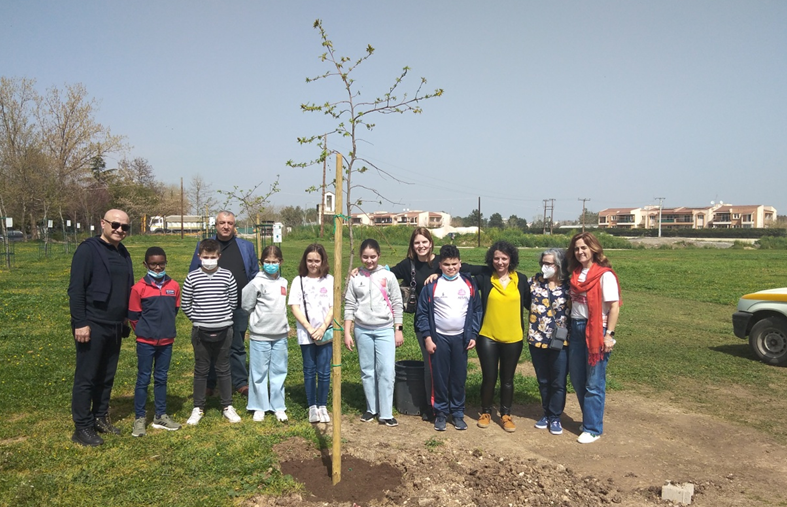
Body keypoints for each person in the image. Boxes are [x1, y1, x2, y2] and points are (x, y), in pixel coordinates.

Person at [68, 209, 134, 446]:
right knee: (87, 376)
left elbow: (127, 286)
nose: (119, 230)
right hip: (93, 323)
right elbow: (76, 289)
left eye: (124, 227)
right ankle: (82, 427)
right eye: (115, 225)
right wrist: (81, 322)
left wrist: (126, 317)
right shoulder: (88, 250)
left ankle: (100, 417)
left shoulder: (122, 252)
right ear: (103, 223)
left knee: (106, 376)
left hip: (115, 324)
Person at [461, 241, 531, 432]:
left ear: (511, 260)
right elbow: (463, 272)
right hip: (488, 336)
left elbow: (532, 305)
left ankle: (506, 414)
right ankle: (485, 412)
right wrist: (436, 273)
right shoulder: (485, 277)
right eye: (496, 258)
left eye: (504, 258)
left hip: (513, 337)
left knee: (507, 379)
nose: (500, 262)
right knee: (489, 377)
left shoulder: (521, 280)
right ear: (491, 259)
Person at [189, 210, 258, 396]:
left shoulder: (246, 247)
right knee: (210, 345)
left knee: (237, 344)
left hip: (239, 306)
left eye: (230, 223)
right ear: (216, 225)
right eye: (222, 223)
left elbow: (253, 274)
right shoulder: (205, 246)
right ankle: (210, 383)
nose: (226, 226)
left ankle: (240, 381)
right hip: (212, 309)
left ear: (234, 225)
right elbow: (193, 273)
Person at [415, 245, 482, 432]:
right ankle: (441, 413)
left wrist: (473, 334)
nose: (451, 268)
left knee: (458, 377)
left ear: (460, 263)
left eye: (454, 264)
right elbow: (421, 314)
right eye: (446, 264)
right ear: (440, 265)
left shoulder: (468, 284)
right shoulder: (432, 286)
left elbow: (477, 310)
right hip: (440, 339)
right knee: (440, 377)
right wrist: (428, 337)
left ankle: (458, 413)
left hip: (461, 338)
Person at [344, 239, 404, 427]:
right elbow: (349, 305)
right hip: (363, 330)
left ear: (379, 255)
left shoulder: (388, 276)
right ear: (360, 257)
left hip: (385, 329)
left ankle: (386, 413)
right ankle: (372, 408)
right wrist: (347, 331)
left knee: (386, 370)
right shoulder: (355, 277)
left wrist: (398, 329)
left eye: (373, 257)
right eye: (365, 257)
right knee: (367, 370)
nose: (369, 261)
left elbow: (397, 303)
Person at [567, 232, 621, 444]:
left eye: (584, 248)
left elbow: (614, 307)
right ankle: (589, 418)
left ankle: (593, 428)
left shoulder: (604, 275)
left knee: (594, 382)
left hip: (597, 331)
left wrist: (609, 335)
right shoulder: (576, 274)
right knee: (578, 379)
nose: (580, 252)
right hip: (576, 328)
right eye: (577, 248)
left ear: (594, 249)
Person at [182, 239, 242, 425]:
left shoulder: (227, 276)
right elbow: (186, 303)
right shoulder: (192, 277)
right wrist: (199, 318)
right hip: (201, 331)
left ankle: (227, 406)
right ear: (199, 257)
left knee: (223, 368)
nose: (209, 260)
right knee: (201, 369)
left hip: (224, 329)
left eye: (212, 257)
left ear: (219, 257)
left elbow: (233, 300)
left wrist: (222, 317)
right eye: (205, 257)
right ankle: (198, 407)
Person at [128, 247, 181, 437]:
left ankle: (160, 414)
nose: (158, 267)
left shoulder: (173, 286)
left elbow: (174, 311)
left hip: (166, 340)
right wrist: (145, 331)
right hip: (145, 341)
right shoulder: (138, 288)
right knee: (143, 378)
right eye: (153, 264)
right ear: (146, 265)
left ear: (166, 263)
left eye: (161, 263)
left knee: (161, 377)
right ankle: (140, 418)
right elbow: (134, 316)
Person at [242, 245, 290, 422]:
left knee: (279, 371)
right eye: (267, 262)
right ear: (262, 263)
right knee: (258, 372)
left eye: (274, 262)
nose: (271, 265)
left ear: (280, 262)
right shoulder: (256, 282)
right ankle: (259, 406)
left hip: (280, 335)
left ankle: (278, 406)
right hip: (260, 335)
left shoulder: (283, 282)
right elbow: (247, 304)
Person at [289, 243, 334, 424]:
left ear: (323, 261)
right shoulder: (298, 280)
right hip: (306, 332)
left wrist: (323, 327)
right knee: (309, 369)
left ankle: (322, 405)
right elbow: (295, 306)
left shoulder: (329, 280)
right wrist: (309, 328)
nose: (313, 264)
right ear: (305, 261)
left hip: (326, 332)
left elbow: (333, 306)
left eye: (317, 260)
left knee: (324, 370)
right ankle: (312, 406)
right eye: (310, 261)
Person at [527, 248, 571, 436]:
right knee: (543, 380)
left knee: (558, 381)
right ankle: (546, 413)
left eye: (549, 263)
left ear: (559, 265)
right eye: (543, 263)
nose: (545, 267)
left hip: (561, 341)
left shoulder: (569, 286)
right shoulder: (534, 282)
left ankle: (555, 416)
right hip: (537, 339)